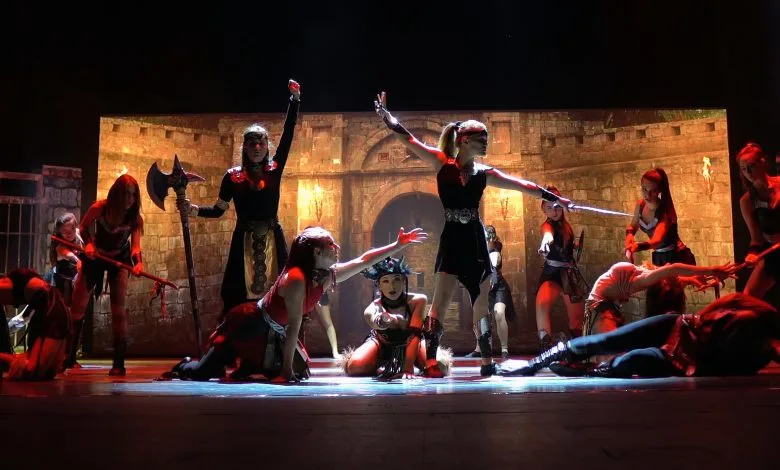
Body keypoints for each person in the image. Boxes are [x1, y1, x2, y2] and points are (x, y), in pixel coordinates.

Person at [374, 91, 574, 377]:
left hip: (475, 240)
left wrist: (555, 198)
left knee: (481, 306)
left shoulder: (484, 173)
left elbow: (523, 185)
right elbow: (409, 139)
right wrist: (386, 117)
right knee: (440, 303)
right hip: (452, 239)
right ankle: (431, 362)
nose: (486, 143)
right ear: (464, 140)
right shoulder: (441, 162)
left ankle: (487, 361)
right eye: (482, 139)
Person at [160, 226, 427, 383]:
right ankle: (184, 365)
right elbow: (294, 327)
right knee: (202, 372)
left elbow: (363, 261)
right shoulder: (297, 279)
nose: (336, 248)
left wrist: (397, 245)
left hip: (272, 332)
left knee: (263, 371)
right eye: (330, 245)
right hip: (249, 326)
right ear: (316, 252)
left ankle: (247, 365)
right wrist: (285, 372)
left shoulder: (323, 276)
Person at [180, 80, 301, 314]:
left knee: (281, 294)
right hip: (243, 241)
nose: (257, 147)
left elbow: (288, 134)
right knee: (237, 298)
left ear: (267, 146)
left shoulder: (274, 169)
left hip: (272, 238)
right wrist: (193, 209)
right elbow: (218, 210)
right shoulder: (232, 177)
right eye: (252, 143)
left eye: (261, 143)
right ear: (244, 147)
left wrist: (294, 101)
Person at [499, 293, 780, 379]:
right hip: (681, 327)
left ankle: (588, 371)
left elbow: (725, 368)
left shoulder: (764, 351)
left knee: (632, 360)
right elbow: (732, 299)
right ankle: (533, 365)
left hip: (686, 358)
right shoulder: (765, 313)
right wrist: (699, 319)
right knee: (608, 341)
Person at [70, 174, 144, 376]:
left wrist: (138, 264)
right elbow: (83, 227)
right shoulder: (100, 208)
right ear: (117, 194)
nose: (130, 199)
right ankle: (69, 357)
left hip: (119, 261)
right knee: (77, 309)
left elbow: (135, 247)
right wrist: (89, 245)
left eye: (133, 195)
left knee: (119, 312)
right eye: (126, 194)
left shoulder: (134, 219)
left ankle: (118, 363)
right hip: (95, 257)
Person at [342, 257, 451, 379]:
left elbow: (415, 335)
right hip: (382, 345)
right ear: (379, 285)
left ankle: (413, 361)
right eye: (386, 281)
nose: (392, 286)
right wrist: (383, 321)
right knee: (355, 366)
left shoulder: (418, 300)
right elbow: (373, 318)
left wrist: (407, 369)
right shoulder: (374, 307)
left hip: (414, 345)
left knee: (440, 367)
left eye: (396, 279)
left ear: (403, 281)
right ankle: (379, 364)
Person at [534, 187, 588, 351]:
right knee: (541, 303)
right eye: (549, 208)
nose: (554, 211)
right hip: (552, 273)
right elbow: (548, 234)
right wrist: (545, 241)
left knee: (576, 318)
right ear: (544, 209)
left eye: (557, 207)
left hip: (569, 274)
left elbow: (568, 248)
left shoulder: (566, 227)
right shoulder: (547, 225)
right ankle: (546, 346)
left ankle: (577, 349)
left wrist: (575, 247)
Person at [0, 269, 71, 380]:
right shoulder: (27, 290)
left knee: (33, 369)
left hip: (52, 306)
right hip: (55, 306)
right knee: (46, 372)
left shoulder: (10, 284)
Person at [735, 142, 780, 298]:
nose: (748, 172)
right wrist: (752, 253)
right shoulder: (747, 201)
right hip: (774, 253)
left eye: (751, 166)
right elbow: (756, 238)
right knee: (748, 297)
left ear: (763, 162)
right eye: (743, 169)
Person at [625, 167, 695, 266]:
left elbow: (657, 240)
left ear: (659, 191)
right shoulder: (640, 205)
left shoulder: (664, 211)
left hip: (677, 257)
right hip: (659, 256)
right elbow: (633, 225)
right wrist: (629, 236)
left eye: (652, 191)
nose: (647, 195)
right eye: (644, 189)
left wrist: (637, 247)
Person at [465, 225, 515, 359]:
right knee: (479, 318)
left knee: (499, 313)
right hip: (482, 287)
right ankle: (481, 349)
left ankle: (504, 349)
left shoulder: (494, 247)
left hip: (497, 286)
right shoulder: (475, 249)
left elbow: (493, 266)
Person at [48, 212, 85, 369]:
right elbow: (70, 256)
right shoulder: (59, 246)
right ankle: (62, 356)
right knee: (65, 319)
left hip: (78, 284)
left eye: (71, 229)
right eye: (64, 231)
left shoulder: (79, 235)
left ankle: (71, 357)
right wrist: (79, 260)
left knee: (78, 320)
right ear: (59, 231)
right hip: (64, 286)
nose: (68, 233)